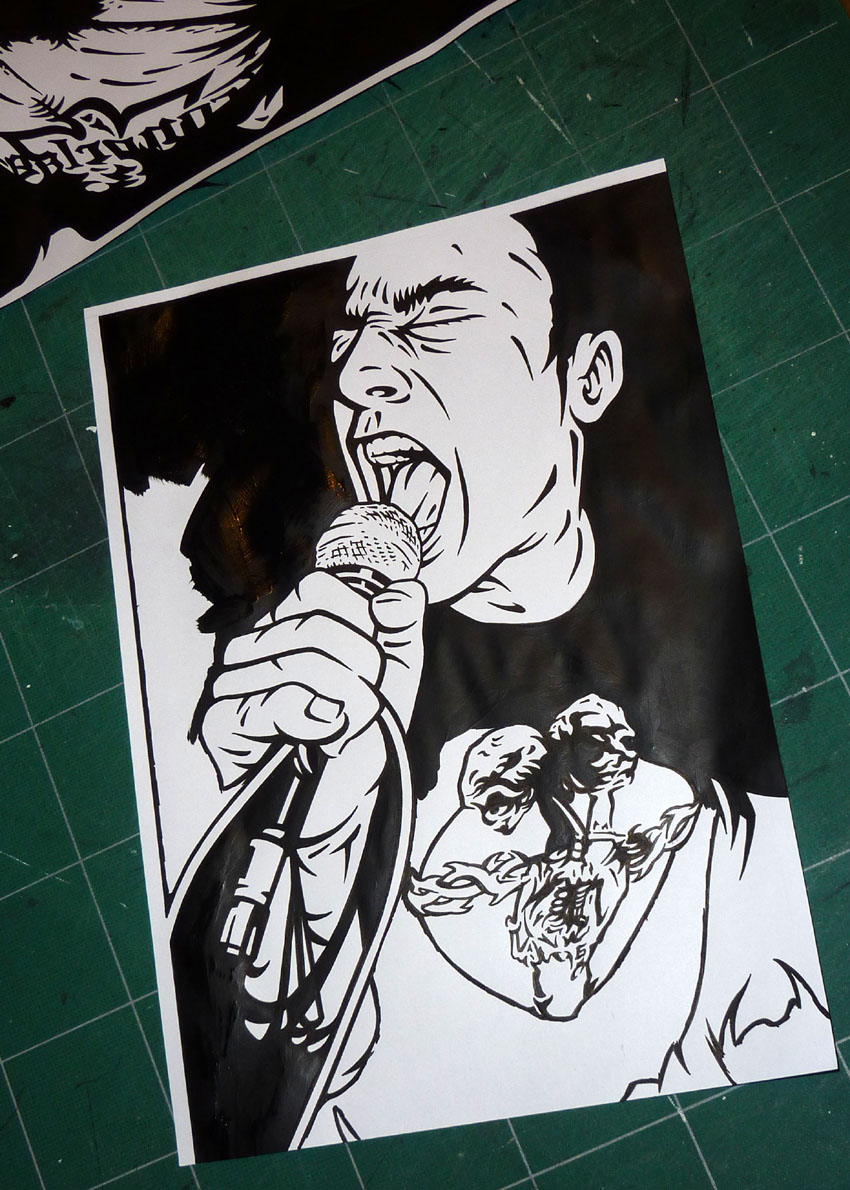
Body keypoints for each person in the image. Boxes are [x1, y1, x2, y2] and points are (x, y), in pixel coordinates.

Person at [191, 212, 833, 1149]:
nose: (359, 378)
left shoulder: (720, 609)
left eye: (433, 318)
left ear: (586, 377)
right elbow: (247, 1094)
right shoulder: (305, 670)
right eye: (349, 339)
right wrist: (272, 824)